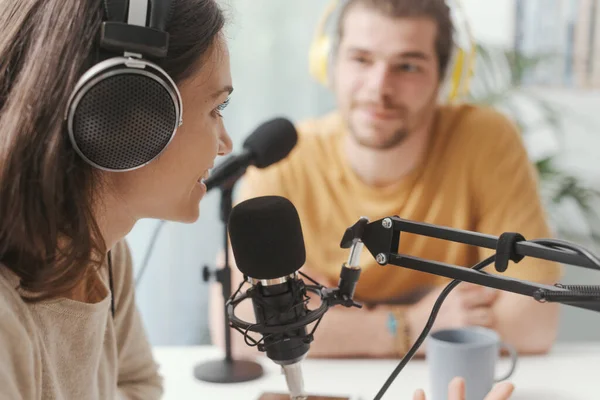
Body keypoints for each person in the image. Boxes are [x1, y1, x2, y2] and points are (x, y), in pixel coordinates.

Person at [210, 0, 562, 361]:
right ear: (327, 64)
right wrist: (409, 325)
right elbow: (242, 327)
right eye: (361, 59)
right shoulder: (283, 161)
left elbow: (533, 320)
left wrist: (328, 318)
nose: (379, 88)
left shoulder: (486, 141)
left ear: (445, 77)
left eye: (408, 66)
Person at [0, 0, 233, 398]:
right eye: (216, 108)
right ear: (121, 116)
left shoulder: (100, 253)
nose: (226, 144)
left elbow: (139, 385)